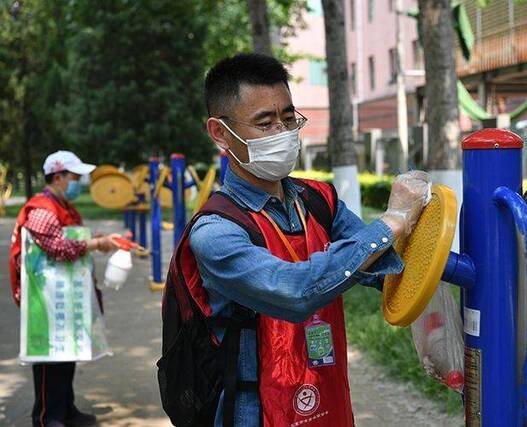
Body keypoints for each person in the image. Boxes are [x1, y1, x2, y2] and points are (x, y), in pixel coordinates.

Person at [173, 53, 431, 427]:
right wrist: (391, 222)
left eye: (288, 118)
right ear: (219, 133)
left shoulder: (318, 201)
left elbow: (383, 267)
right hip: (254, 413)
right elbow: (295, 292)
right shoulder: (216, 231)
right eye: (264, 122)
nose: (282, 133)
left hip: (327, 398)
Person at [9, 151, 120, 427]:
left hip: (62, 295)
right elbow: (56, 247)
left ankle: (66, 409)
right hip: (44, 299)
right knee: (50, 358)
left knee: (67, 353)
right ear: (58, 177)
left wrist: (99, 241)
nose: (79, 182)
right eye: (75, 177)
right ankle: (47, 417)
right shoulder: (41, 209)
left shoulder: (62, 206)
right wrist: (95, 244)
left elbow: (71, 239)